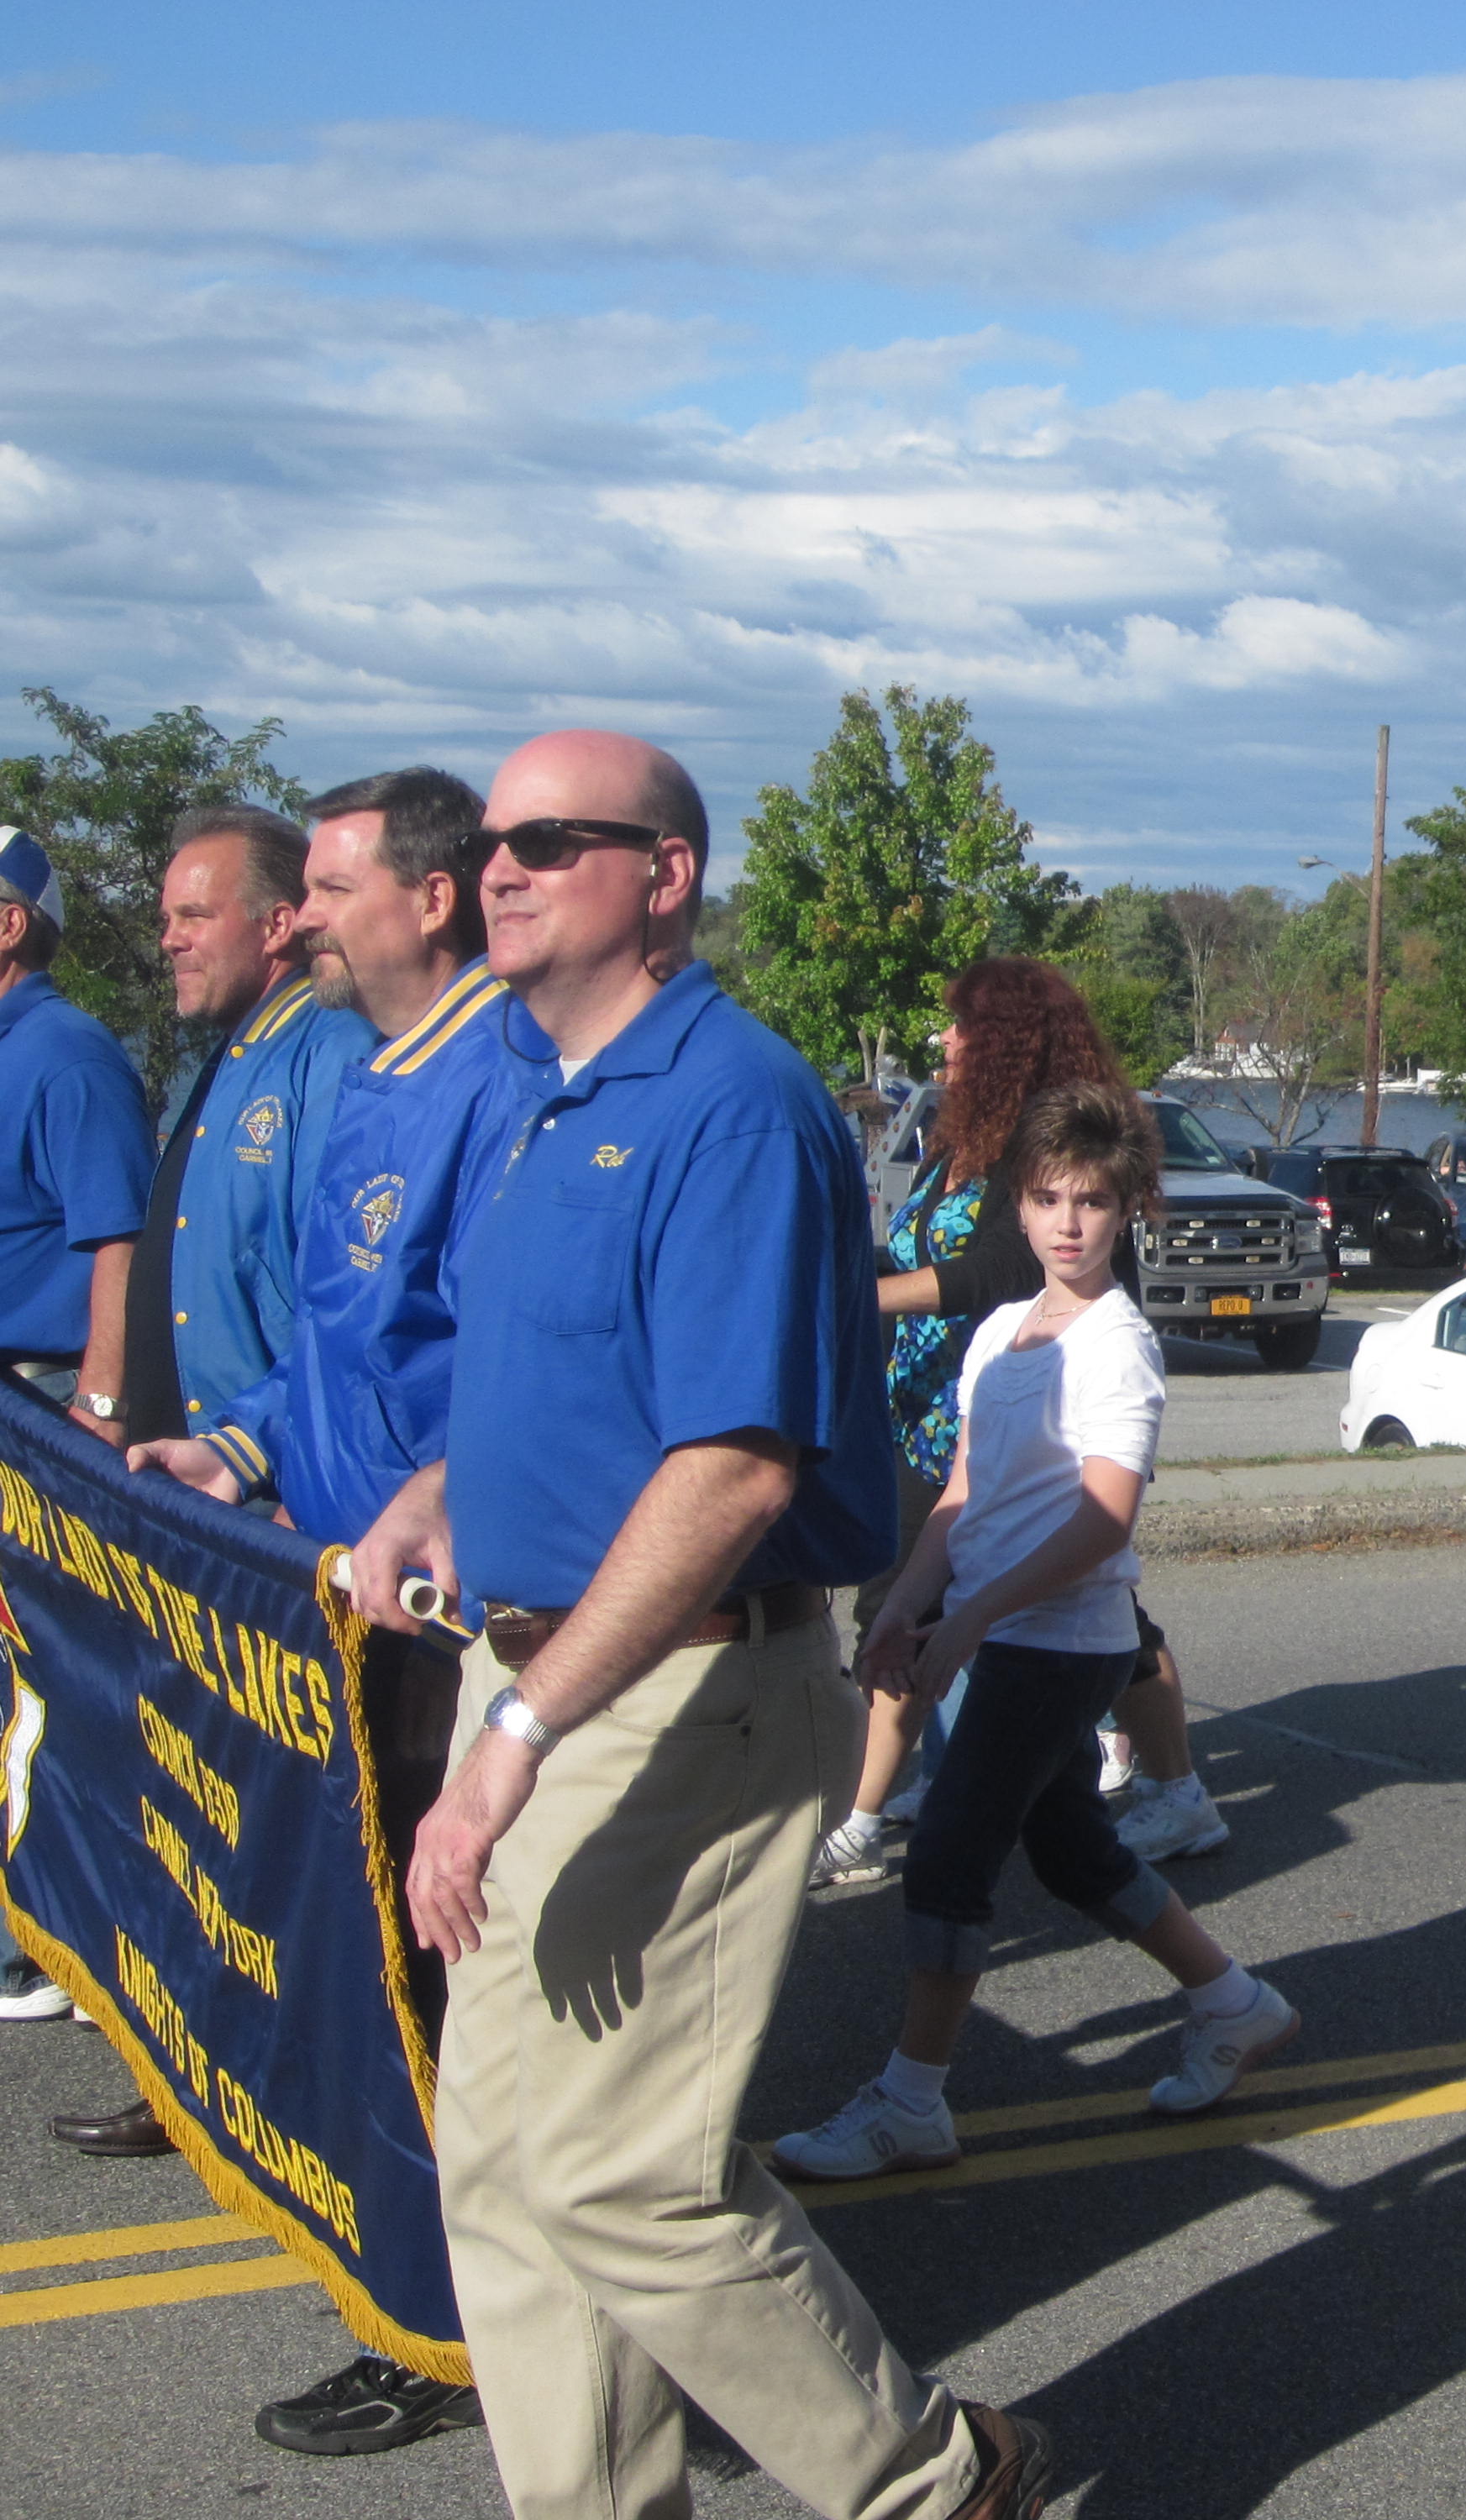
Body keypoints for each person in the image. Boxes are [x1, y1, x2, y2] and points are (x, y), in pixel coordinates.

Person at [349, 729, 1050, 2520]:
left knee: (626, 2180)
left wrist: (517, 1739)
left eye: (547, 842)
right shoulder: (545, 1085)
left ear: (662, 876)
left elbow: (735, 1468)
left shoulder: (734, 1104)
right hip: (539, 1675)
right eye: (491, 843)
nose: (499, 870)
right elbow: (573, 1376)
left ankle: (934, 2482)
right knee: (499, 2164)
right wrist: (437, 1490)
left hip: (678, 1693)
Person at [128, 767, 500, 2455]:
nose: (303, 922)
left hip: (439, 1619)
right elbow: (335, 1351)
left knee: (432, 1989)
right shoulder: (379, 1074)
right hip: (340, 1594)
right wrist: (236, 1447)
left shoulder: (495, 1083)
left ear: (429, 898)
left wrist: (426, 1513)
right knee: (368, 1964)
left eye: (330, 891)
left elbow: (510, 1374)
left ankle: (450, 2328)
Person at [774, 1082, 1297, 2185]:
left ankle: (911, 2102)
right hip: (1001, 1631)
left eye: (1093, 1202)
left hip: (1064, 1642)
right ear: (1019, 1204)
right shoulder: (1002, 1334)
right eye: (1050, 1198)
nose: (1069, 1223)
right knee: (1069, 1848)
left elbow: (1102, 1522)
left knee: (950, 1852)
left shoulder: (1119, 1347)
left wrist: (970, 1618)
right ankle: (1234, 2002)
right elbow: (963, 1494)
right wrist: (909, 1602)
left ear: (1128, 1210)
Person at [46, 804, 375, 2157]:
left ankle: (298, 2095)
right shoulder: (219, 1057)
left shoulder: (329, 1059)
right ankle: (200, 2070)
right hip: (196, 1493)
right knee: (194, 1802)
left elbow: (337, 1304)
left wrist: (276, 1460)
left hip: (277, 1512)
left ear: (278, 922)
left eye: (194, 915)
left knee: (280, 1826)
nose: (169, 941)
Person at [818, 958, 1224, 1885]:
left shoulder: (1042, 1152)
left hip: (1037, 1402)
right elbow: (917, 1250)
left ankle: (1173, 1792)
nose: (945, 1039)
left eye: (962, 1024)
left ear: (1004, 1039)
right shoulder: (959, 1137)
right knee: (905, 1599)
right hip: (937, 1405)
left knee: (1101, 1621)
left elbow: (994, 1272)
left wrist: (855, 1300)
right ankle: (915, 1792)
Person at [0, 827, 155, 2026]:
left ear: (10, 924)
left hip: (46, 1400)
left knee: (45, 1674)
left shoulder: (64, 1053)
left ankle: (44, 1949)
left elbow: (121, 1239)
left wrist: (99, 1410)